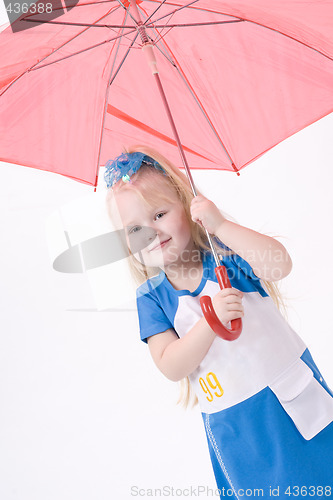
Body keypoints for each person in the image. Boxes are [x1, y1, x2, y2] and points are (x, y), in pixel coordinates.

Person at [105, 146, 333, 499]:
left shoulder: (225, 256)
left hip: (292, 399)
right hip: (238, 425)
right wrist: (210, 321)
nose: (152, 232)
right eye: (135, 228)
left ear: (188, 205)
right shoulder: (151, 297)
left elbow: (280, 265)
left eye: (160, 214)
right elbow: (170, 364)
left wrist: (222, 226)